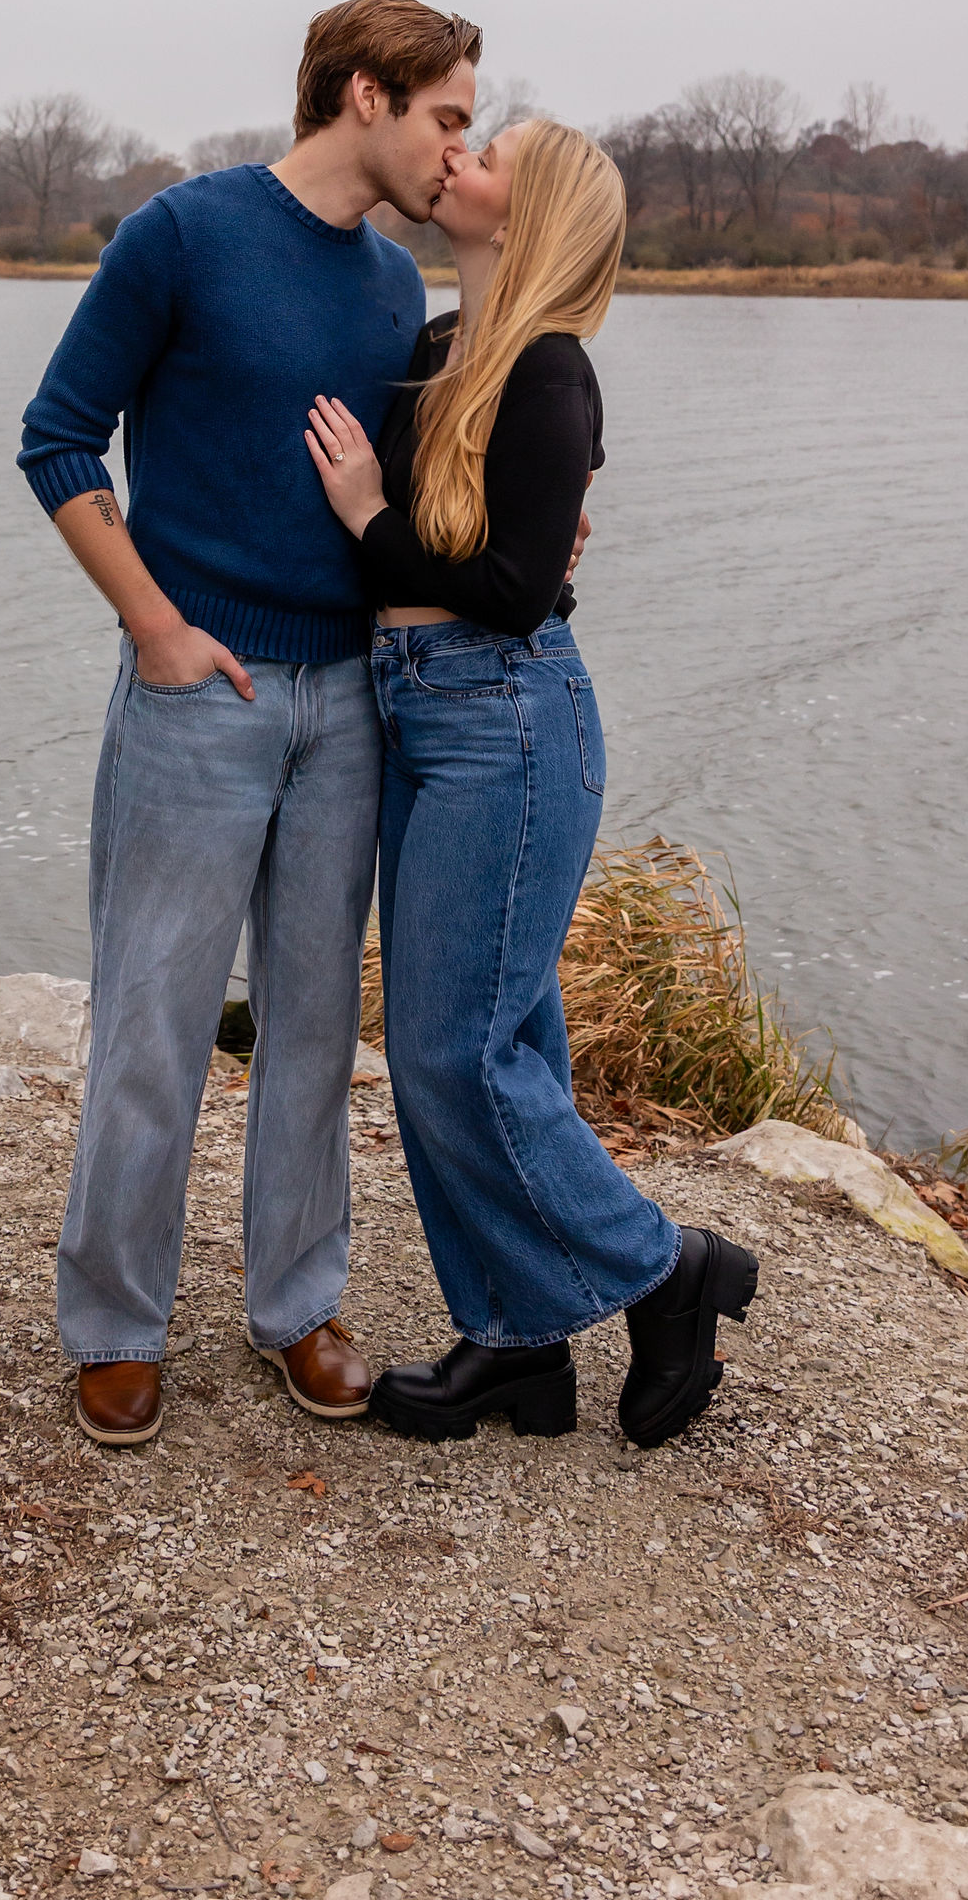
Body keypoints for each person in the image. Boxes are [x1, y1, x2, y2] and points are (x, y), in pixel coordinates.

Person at [17, 0, 482, 1448]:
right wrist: (153, 627)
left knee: (311, 1028)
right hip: (194, 698)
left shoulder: (395, 288)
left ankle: (297, 1304)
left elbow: (397, 499)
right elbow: (54, 438)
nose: (459, 150)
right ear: (365, 95)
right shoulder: (184, 234)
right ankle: (112, 1322)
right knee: (152, 1020)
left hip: (347, 698)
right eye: (447, 118)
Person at [304, 119, 759, 1448]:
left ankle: (669, 1269)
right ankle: (516, 1343)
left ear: (532, 209)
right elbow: (502, 552)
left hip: (502, 722)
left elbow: (509, 594)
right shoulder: (444, 351)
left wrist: (369, 521)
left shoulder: (552, 369)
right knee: (494, 1049)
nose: (459, 159)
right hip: (419, 715)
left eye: (487, 151)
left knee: (456, 1052)